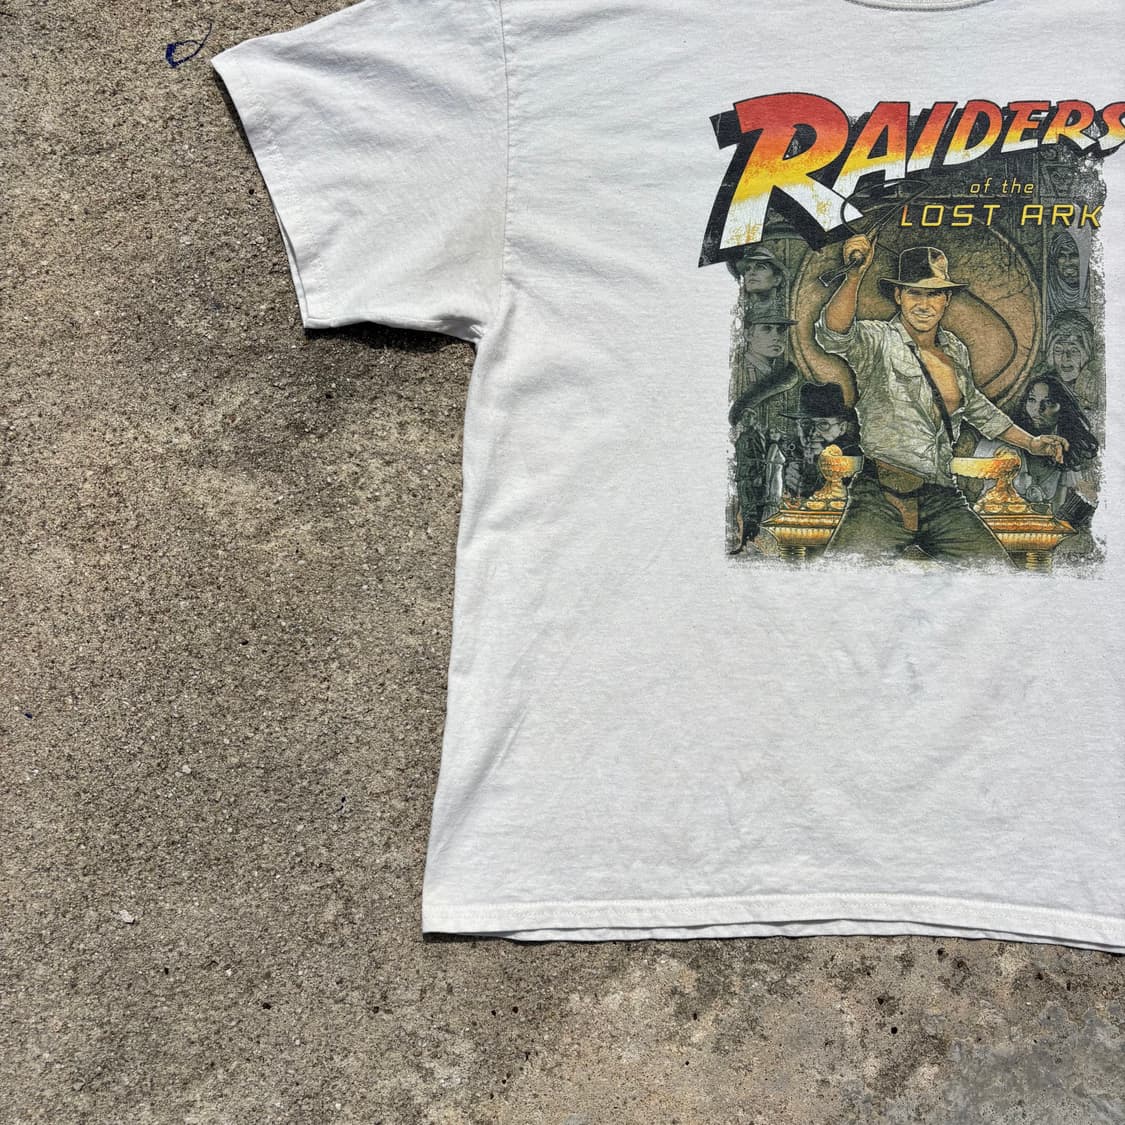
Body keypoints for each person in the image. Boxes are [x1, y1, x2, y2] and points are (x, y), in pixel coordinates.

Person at [812, 238, 1069, 566]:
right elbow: (833, 333)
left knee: (998, 574)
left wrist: (1031, 443)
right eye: (915, 293)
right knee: (840, 579)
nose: (924, 304)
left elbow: (978, 408)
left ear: (946, 299)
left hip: (943, 498)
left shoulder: (955, 350)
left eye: (933, 294)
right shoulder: (878, 341)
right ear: (899, 296)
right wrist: (854, 276)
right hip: (883, 498)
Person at [975, 373, 1099, 524]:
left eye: (1048, 402)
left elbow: (1057, 513)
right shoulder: (1000, 446)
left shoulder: (1065, 453)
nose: (1037, 409)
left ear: (1063, 408)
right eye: (1032, 400)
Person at [781, 382, 862, 498]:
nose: (813, 433)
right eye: (806, 423)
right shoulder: (792, 455)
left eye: (823, 425)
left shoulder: (856, 462)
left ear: (842, 428)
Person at [1044, 309, 1099, 412]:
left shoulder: (1096, 385)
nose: (1065, 358)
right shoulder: (1043, 385)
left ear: (1086, 352)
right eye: (1058, 350)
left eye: (1074, 350)